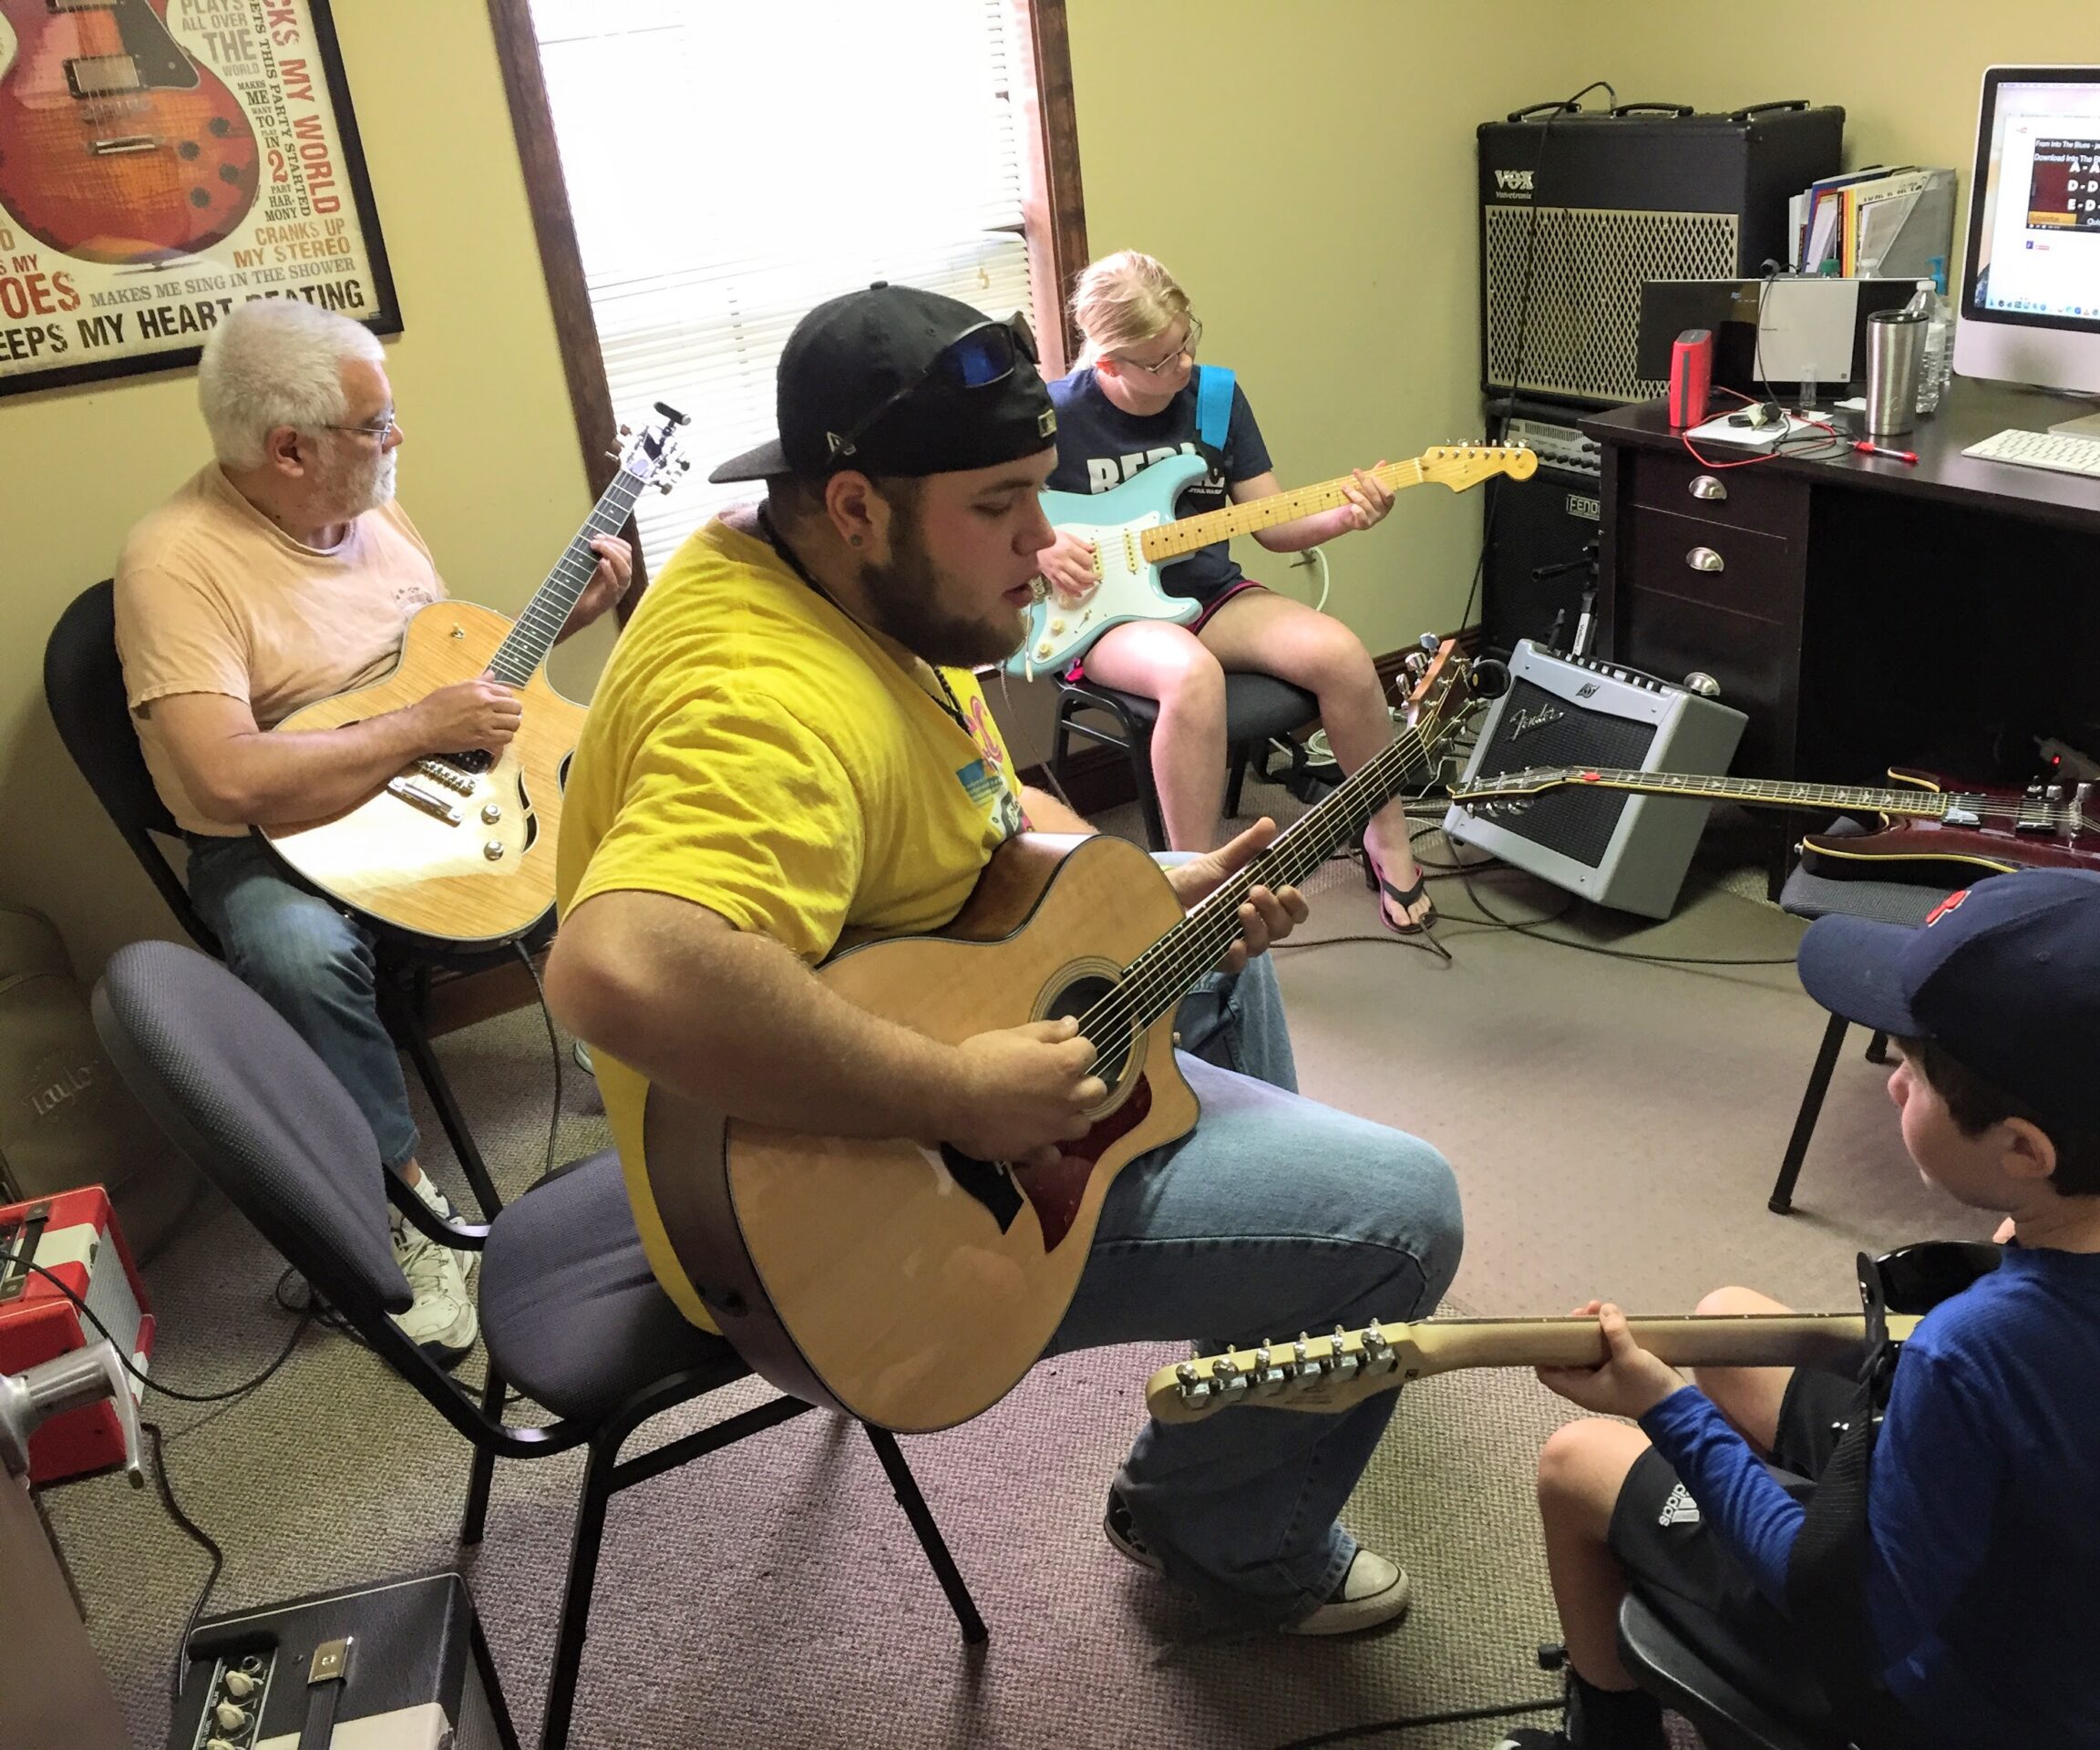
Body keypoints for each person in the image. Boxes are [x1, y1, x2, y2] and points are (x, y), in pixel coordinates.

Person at [542, 283, 1463, 1636]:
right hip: (861, 1206)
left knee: (1213, 952)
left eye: (1042, 492)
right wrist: (954, 1095)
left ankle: (1271, 1343)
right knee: (1406, 1217)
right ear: (853, 502)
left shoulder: (826, 578)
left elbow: (985, 806)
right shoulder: (761, 695)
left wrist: (1158, 886)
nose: (1044, 544)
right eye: (998, 507)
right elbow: (614, 967)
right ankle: (1219, 1525)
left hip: (922, 1074)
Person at [1517, 870, 2100, 1749]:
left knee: (1576, 1462)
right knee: (1730, 1323)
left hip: (1966, 1700)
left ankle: (1602, 1732)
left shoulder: (1971, 1354)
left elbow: (1835, 1602)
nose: (1892, 1085)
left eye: (1909, 1069)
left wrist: (1656, 1402)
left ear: (2026, 1148)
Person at [115, 299, 631, 1357]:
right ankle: (398, 1202)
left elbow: (444, 674)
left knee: (610, 806)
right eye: (375, 426)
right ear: (289, 449)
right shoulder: (176, 564)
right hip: (274, 839)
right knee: (294, 953)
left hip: (422, 781)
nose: (397, 442)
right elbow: (224, 775)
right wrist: (416, 727)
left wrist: (566, 618)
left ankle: (623, 1036)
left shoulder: (373, 509)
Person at [1036, 251, 1432, 933]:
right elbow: (991, 514)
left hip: (1208, 592)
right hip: (1102, 616)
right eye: (1160, 362)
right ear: (1108, 365)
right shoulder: (1049, 416)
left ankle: (1385, 836)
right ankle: (1200, 888)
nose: (1181, 367)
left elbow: (1273, 524)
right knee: (1191, 676)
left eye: (1185, 342)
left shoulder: (1214, 397)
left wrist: (1344, 514)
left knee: (1340, 653)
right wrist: (1042, 544)